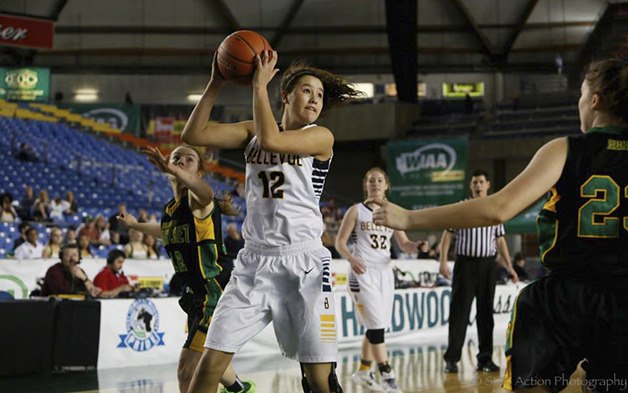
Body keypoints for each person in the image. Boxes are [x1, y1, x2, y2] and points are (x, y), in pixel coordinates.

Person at [368, 59, 627, 393]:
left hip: (566, 300)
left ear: (595, 101)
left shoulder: (566, 149)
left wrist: (410, 218)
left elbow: (498, 209)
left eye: (581, 94)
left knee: (533, 320)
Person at [181, 50, 360, 393]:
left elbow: (272, 140)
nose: (315, 99)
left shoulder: (320, 137)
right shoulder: (252, 130)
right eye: (307, 90)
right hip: (254, 263)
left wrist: (257, 87)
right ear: (286, 95)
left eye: (320, 95)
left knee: (319, 380)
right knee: (210, 364)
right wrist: (216, 81)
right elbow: (194, 135)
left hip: (304, 263)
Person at [117, 144, 253, 393]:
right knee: (207, 358)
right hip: (197, 293)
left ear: (198, 173)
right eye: (176, 157)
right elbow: (164, 231)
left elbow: (207, 194)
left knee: (187, 371)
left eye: (189, 159)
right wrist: (136, 226)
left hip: (214, 291)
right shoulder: (171, 209)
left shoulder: (197, 201)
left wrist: (171, 167)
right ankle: (239, 389)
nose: (180, 161)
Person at [335, 168, 421, 393]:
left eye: (379, 180)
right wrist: (351, 258)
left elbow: (402, 242)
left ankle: (363, 370)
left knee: (377, 326)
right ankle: (388, 376)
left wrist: (409, 246)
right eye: (371, 180)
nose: (375, 183)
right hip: (362, 272)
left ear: (386, 185)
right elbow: (340, 242)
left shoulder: (392, 212)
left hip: (385, 272)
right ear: (366, 185)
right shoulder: (356, 211)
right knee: (376, 328)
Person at [437, 169, 518, 373]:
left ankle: (485, 359)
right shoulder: (462, 207)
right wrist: (443, 261)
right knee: (459, 313)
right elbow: (447, 235)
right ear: (471, 186)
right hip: (465, 264)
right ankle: (452, 359)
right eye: (474, 182)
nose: (478, 185)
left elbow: (500, 241)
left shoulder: (494, 210)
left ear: (488, 184)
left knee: (485, 314)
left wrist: (509, 267)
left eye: (481, 182)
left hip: (487, 266)